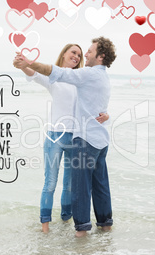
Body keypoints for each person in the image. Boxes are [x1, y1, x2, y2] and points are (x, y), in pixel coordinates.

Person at [13, 37, 117, 237]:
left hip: (81, 138)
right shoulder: (85, 78)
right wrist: (24, 65)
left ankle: (76, 227)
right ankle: (96, 225)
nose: (81, 55)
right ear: (64, 54)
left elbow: (94, 103)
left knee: (75, 186)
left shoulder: (82, 77)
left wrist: (107, 115)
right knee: (56, 182)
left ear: (100, 56)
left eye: (85, 52)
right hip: (64, 137)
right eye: (75, 52)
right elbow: (40, 74)